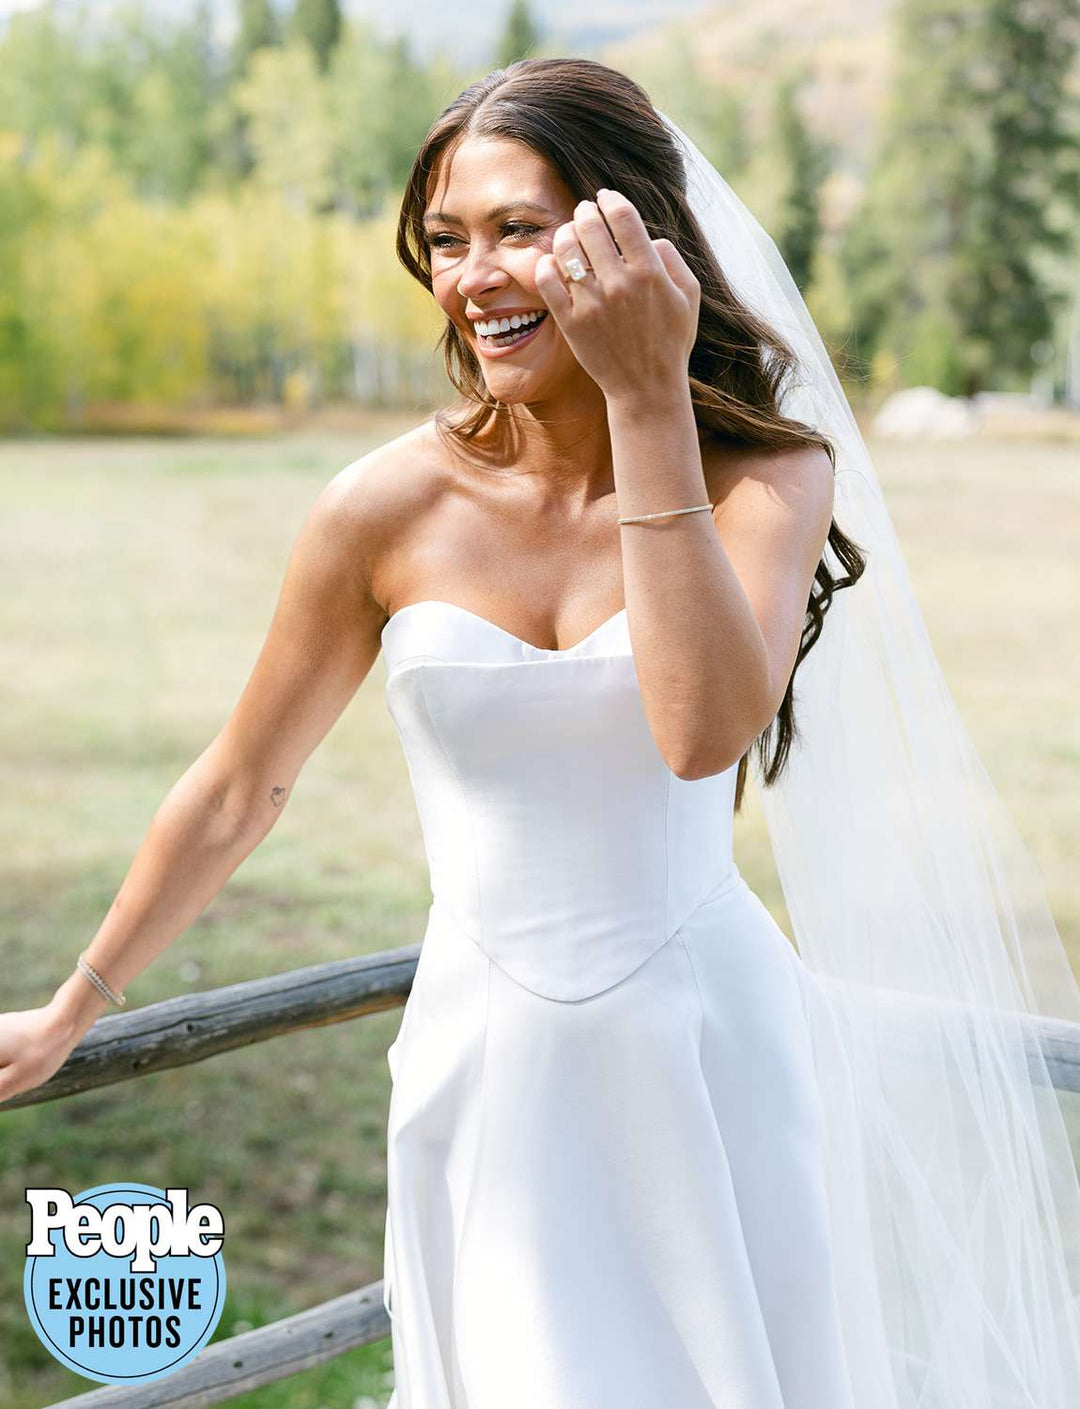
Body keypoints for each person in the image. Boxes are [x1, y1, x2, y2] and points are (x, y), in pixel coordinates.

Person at [4, 56, 1080, 1409]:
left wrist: (647, 406)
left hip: (706, 1056)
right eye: (448, 240)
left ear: (634, 239)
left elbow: (698, 732)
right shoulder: (379, 509)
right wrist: (73, 1004)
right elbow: (242, 782)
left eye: (521, 227)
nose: (475, 276)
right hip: (486, 1071)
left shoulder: (770, 478)